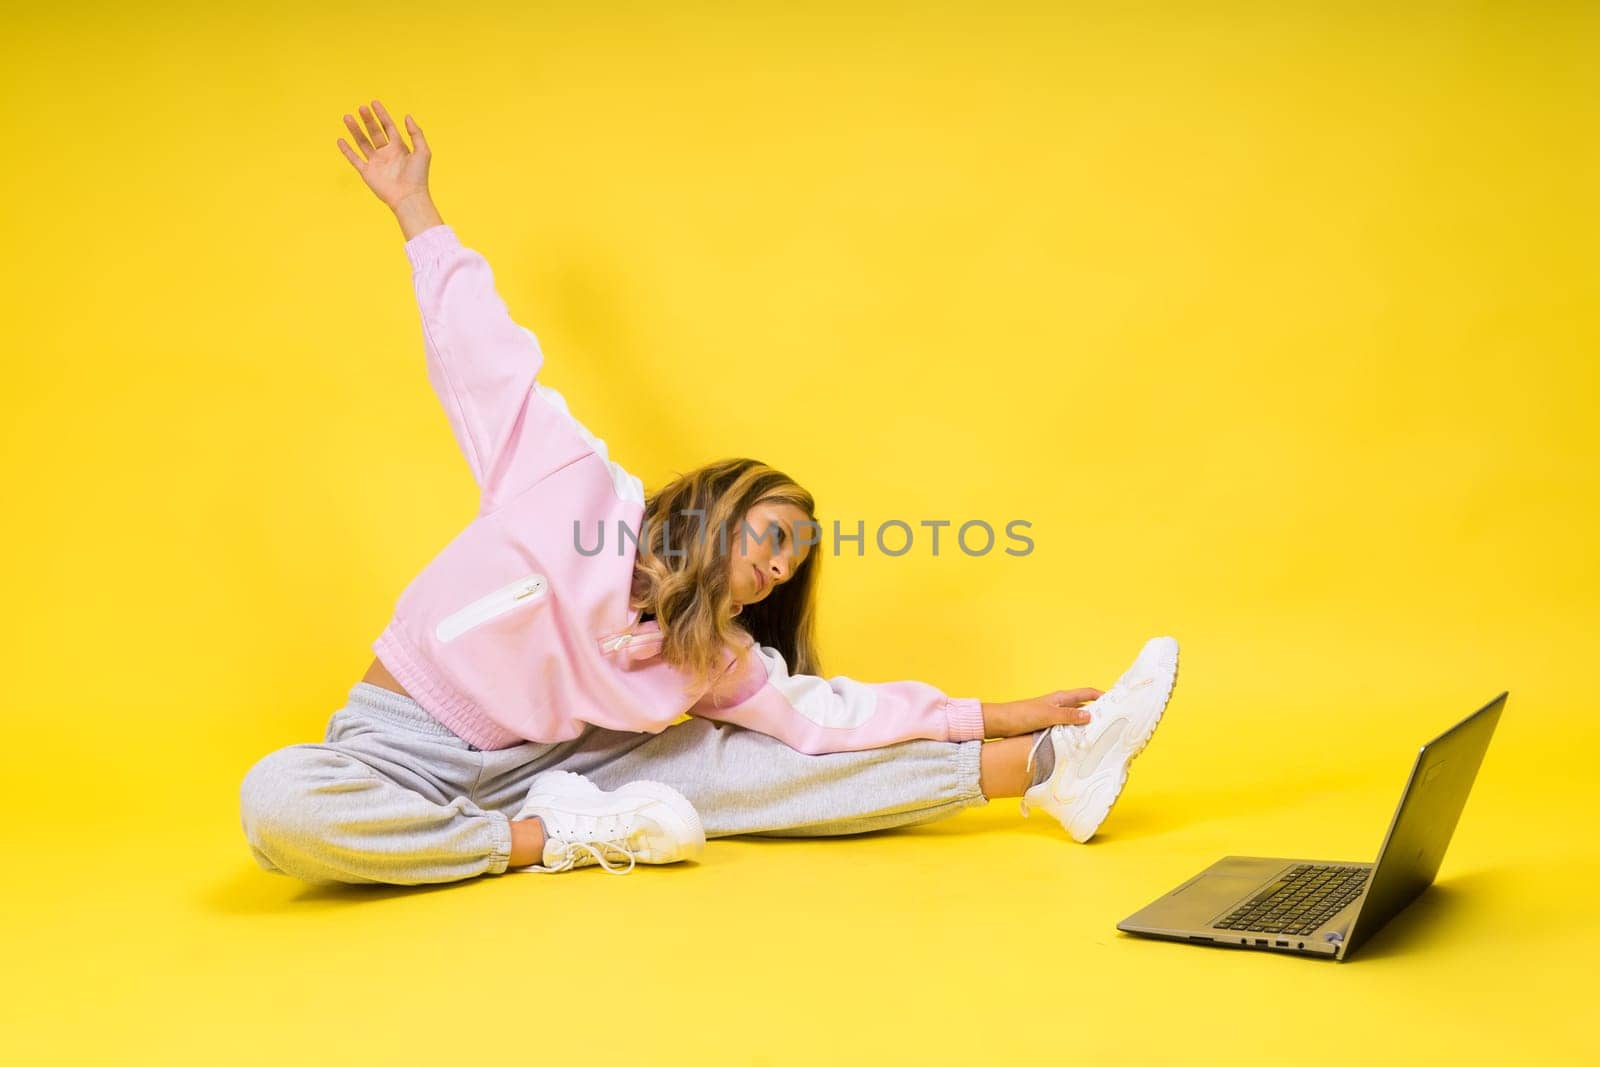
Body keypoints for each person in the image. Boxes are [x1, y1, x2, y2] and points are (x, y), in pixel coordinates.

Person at [237, 99, 1181, 886]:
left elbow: (836, 717)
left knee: (748, 770)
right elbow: (485, 360)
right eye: (773, 534)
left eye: (792, 560)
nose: (777, 567)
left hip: (564, 766)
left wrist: (999, 714)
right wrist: (416, 211)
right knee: (277, 802)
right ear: (718, 505)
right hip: (400, 752)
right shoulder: (569, 485)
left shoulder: (715, 657)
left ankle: (1052, 766)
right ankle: (539, 844)